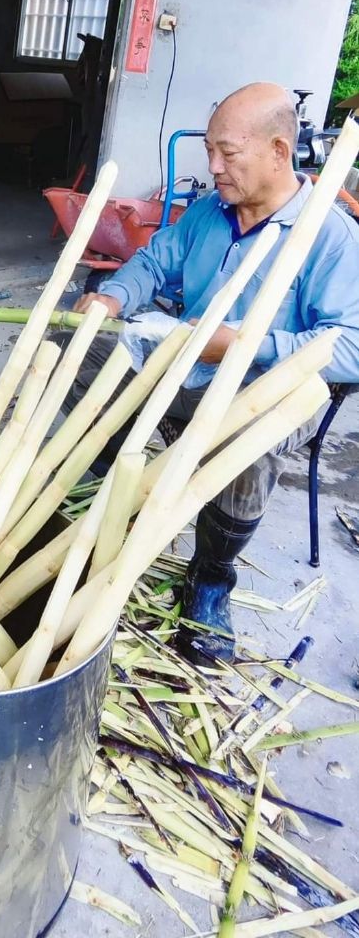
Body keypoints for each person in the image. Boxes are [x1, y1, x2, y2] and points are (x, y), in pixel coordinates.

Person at [70, 82, 359, 664]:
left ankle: (210, 577)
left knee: (248, 436)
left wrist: (245, 346)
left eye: (228, 152)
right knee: (75, 350)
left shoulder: (331, 236)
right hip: (187, 362)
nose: (214, 167)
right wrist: (114, 297)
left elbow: (349, 345)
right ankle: (102, 504)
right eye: (209, 151)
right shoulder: (210, 212)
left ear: (278, 151)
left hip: (262, 389)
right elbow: (154, 262)